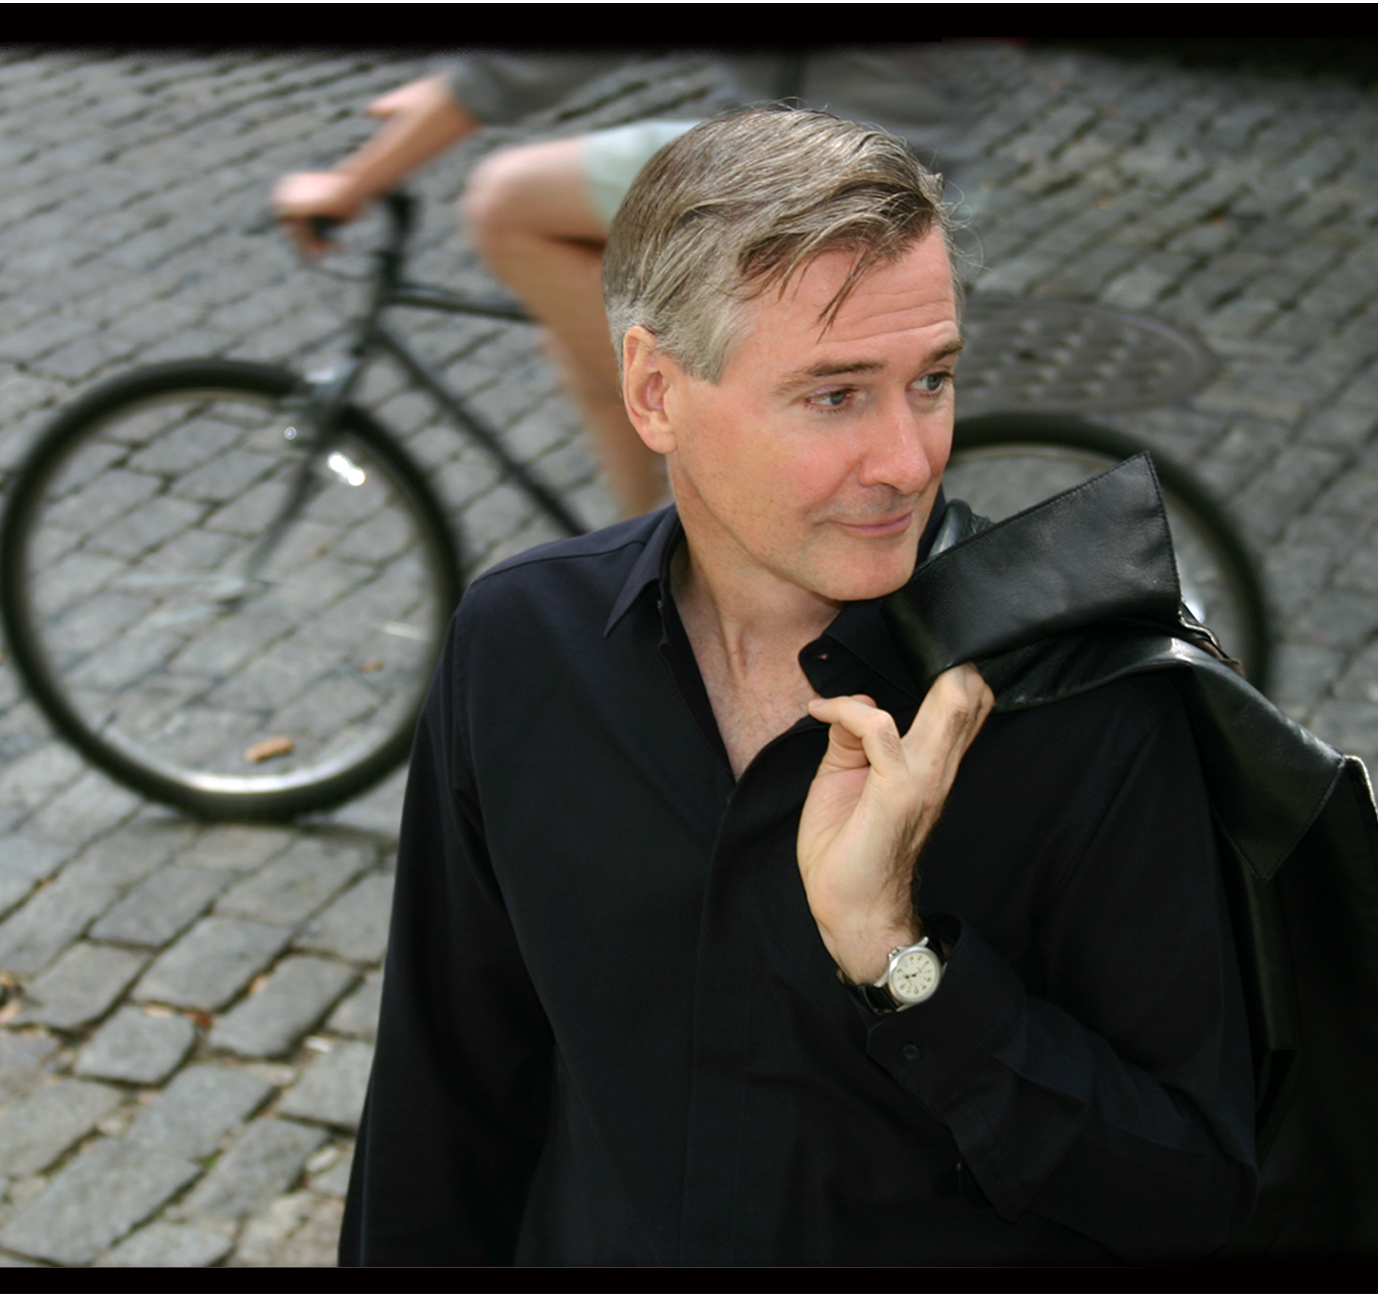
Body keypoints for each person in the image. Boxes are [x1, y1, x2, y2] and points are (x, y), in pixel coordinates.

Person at [338, 106, 1260, 1267]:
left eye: (932, 379)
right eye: (836, 394)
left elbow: (1196, 1193)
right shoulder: (520, 648)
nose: (910, 460)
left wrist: (901, 964)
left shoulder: (1088, 708)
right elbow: (445, 1100)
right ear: (655, 392)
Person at [273, 51, 977, 520]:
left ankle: (708, 500)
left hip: (819, 159)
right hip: (848, 131)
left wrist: (356, 179)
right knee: (580, 324)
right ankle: (644, 555)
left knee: (504, 202)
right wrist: (447, 91)